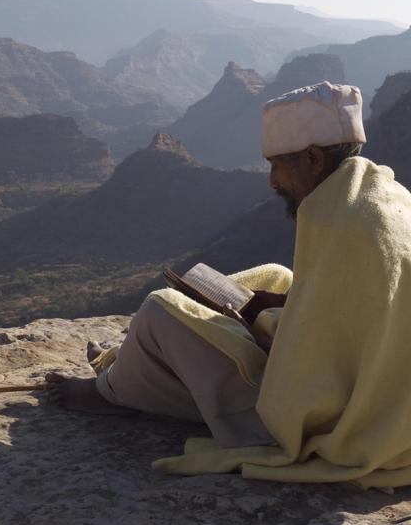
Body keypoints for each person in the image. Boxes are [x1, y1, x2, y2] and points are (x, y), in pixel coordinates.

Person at [47, 82, 411, 487]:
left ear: (312, 157)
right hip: (383, 398)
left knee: (158, 308)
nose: (273, 182)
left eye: (277, 165)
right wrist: (275, 308)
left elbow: (315, 372)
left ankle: (112, 392)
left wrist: (260, 322)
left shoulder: (339, 219)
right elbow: (354, 319)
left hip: (330, 421)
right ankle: (132, 362)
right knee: (274, 275)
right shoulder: (379, 195)